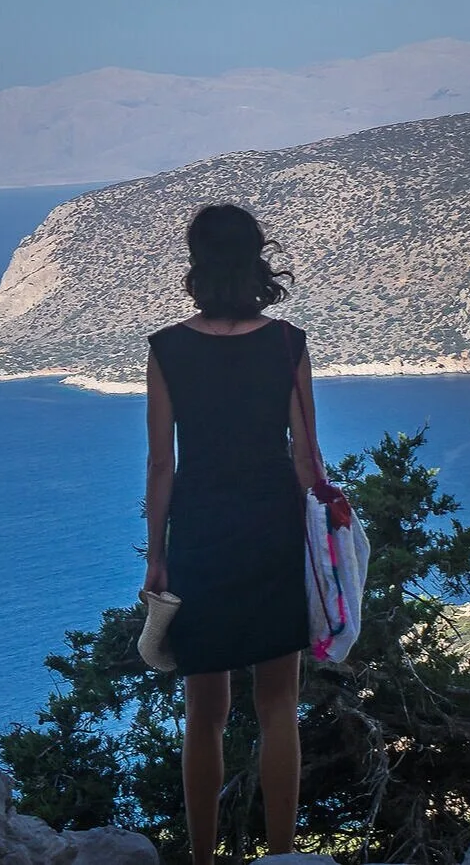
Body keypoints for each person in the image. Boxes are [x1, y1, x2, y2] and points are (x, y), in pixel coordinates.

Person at [143, 203, 327, 865]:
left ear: (195, 265)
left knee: (205, 711)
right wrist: (329, 547)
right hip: (273, 529)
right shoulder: (286, 343)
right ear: (256, 261)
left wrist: (156, 559)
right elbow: (308, 463)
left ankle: (201, 858)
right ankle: (280, 856)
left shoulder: (167, 348)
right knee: (278, 704)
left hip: (199, 533)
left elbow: (162, 464)